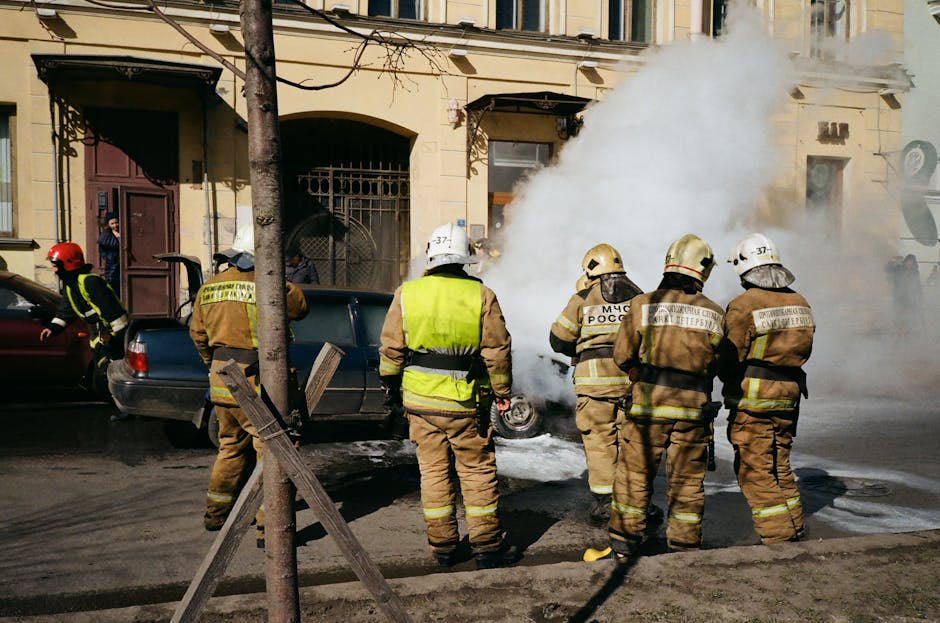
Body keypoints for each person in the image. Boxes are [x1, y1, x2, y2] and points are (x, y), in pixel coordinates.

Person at [378, 222, 519, 570]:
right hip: (465, 403)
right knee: (475, 472)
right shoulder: (482, 295)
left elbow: (391, 349)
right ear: (465, 258)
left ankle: (443, 547)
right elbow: (497, 351)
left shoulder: (407, 293)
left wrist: (391, 387)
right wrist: (502, 393)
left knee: (433, 472)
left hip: (419, 402)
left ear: (431, 256)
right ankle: (487, 547)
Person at [585, 234, 724, 560]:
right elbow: (720, 362)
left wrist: (638, 371)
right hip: (693, 411)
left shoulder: (642, 304)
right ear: (702, 270)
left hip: (647, 409)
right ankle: (684, 552)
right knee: (687, 484)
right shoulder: (714, 313)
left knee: (634, 478)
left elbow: (622, 355)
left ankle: (623, 548)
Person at [189, 224, 309, 542]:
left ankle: (215, 515)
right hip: (258, 384)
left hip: (221, 380)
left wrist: (213, 365)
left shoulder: (209, 287)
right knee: (272, 451)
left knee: (230, 447)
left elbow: (198, 334)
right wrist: (277, 277)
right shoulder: (269, 286)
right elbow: (301, 308)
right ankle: (269, 526)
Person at [720, 233, 815, 544]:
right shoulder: (800, 300)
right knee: (779, 465)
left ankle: (779, 541)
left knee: (755, 471)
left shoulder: (744, 304)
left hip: (754, 401)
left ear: (744, 267)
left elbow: (729, 355)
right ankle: (796, 528)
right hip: (789, 399)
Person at [550, 243, 645, 524]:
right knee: (631, 443)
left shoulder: (582, 298)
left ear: (591, 268)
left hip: (594, 388)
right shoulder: (641, 298)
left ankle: (606, 505)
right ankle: (636, 502)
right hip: (632, 384)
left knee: (600, 444)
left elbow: (558, 340)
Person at [39, 241, 128, 402]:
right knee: (101, 373)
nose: (53, 268)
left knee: (107, 372)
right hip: (97, 334)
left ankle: (123, 406)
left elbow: (113, 311)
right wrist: (53, 327)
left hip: (109, 335)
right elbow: (67, 310)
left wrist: (116, 338)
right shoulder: (70, 285)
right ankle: (112, 403)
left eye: (55, 264)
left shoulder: (90, 282)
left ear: (68, 263)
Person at [887, 254, 923, 334]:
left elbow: (918, 285)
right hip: (899, 298)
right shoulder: (898, 269)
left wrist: (920, 297)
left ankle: (906, 335)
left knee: (909, 318)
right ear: (905, 262)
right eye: (908, 262)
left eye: (911, 262)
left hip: (911, 299)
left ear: (914, 263)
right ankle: (899, 333)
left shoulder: (915, 272)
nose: (909, 264)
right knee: (898, 317)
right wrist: (892, 262)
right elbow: (887, 270)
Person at [97, 212, 121, 296]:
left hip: (122, 263)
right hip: (112, 265)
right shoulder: (106, 236)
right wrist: (111, 258)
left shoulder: (123, 232)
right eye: (112, 223)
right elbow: (102, 251)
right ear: (108, 224)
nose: (115, 225)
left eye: (116, 222)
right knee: (113, 285)